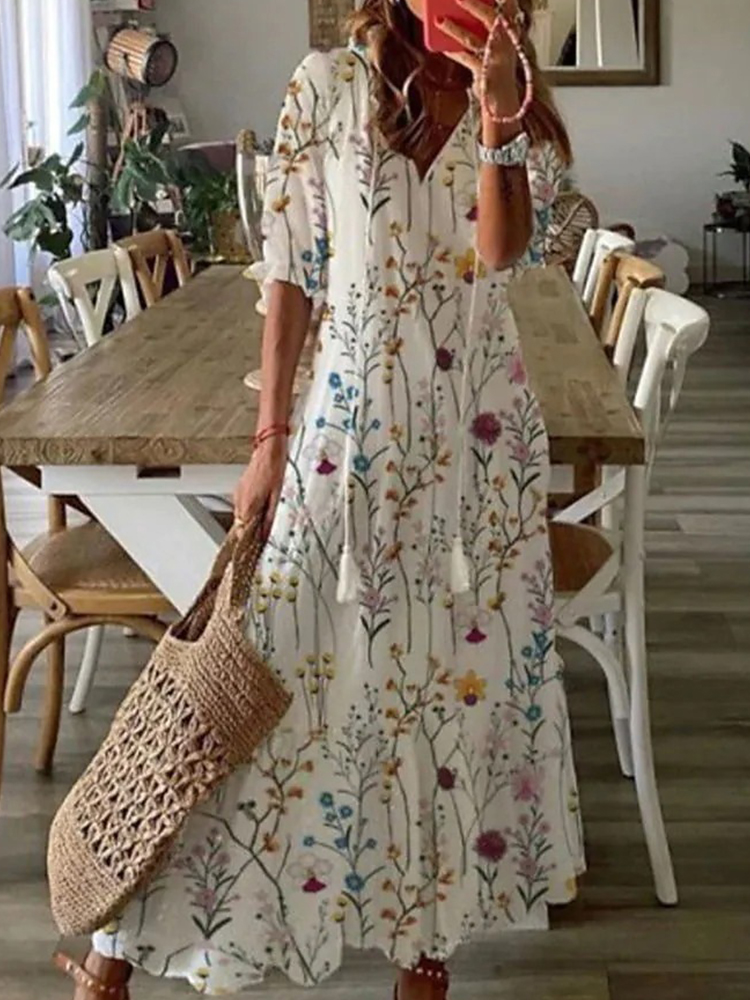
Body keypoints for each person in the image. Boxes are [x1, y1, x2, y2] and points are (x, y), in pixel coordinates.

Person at [59, 1, 582, 997]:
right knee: (261, 680)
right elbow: (292, 274)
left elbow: (502, 251)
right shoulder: (327, 86)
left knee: (456, 690)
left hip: (479, 446)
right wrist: (269, 442)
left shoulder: (518, 94)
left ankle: (424, 953)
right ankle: (119, 938)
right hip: (347, 431)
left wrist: (501, 120)